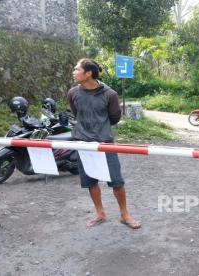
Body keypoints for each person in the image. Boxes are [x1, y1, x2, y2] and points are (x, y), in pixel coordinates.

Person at [67, 58, 141, 229]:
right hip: (83, 143)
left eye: (77, 69)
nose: (73, 72)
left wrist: (99, 129)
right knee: (90, 181)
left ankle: (124, 215)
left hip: (105, 143)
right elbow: (76, 113)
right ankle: (100, 213)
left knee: (116, 181)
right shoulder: (73, 93)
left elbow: (114, 117)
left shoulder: (110, 94)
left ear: (88, 74)